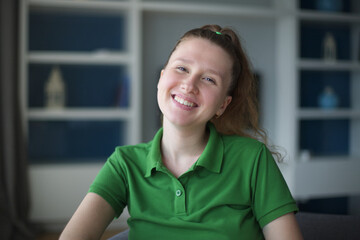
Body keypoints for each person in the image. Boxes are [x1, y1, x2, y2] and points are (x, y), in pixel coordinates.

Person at [60, 24, 303, 240]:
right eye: (182, 68)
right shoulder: (124, 163)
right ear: (162, 78)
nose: (189, 84)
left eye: (209, 79)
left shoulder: (253, 159)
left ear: (222, 105)